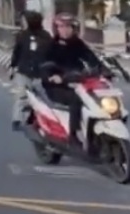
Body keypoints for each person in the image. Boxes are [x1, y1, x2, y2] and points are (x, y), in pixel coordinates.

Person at [38, 12, 109, 147]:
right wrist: (53, 76)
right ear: (56, 29)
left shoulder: (77, 43)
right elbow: (44, 66)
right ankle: (73, 135)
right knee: (76, 100)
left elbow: (90, 57)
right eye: (62, 27)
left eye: (68, 27)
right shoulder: (50, 46)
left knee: (97, 97)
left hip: (77, 80)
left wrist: (104, 70)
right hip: (56, 86)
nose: (65, 30)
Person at [8, 4, 54, 130]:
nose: (23, 23)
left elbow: (52, 54)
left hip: (40, 73)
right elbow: (17, 52)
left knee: (42, 98)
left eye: (25, 21)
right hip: (24, 72)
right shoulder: (22, 36)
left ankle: (43, 121)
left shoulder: (46, 37)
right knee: (21, 96)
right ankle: (17, 120)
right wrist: (13, 66)